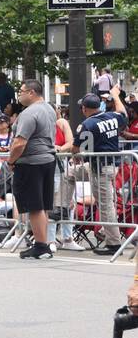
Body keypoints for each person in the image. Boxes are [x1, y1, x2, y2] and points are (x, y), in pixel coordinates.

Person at [8, 79, 60, 260]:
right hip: (47, 160)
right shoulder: (49, 109)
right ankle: (42, 243)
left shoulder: (29, 113)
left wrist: (11, 161)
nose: (19, 94)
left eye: (21, 91)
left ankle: (40, 246)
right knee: (43, 205)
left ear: (31, 92)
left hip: (31, 162)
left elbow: (20, 142)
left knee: (35, 206)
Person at [72, 90, 126, 255]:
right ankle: (61, 207)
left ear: (84, 108)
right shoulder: (112, 117)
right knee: (69, 174)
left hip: (99, 168)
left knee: (105, 205)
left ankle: (114, 244)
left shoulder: (88, 124)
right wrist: (115, 96)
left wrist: (76, 155)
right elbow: (123, 113)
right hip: (110, 166)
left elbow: (78, 149)